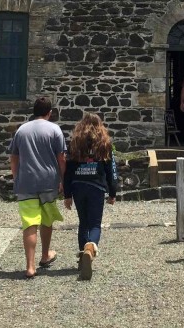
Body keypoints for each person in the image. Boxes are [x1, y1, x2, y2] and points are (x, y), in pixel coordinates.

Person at [8, 97, 66, 279]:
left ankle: (30, 266)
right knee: (47, 220)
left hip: (26, 182)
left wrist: (16, 176)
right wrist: (63, 179)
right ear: (50, 112)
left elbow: (14, 157)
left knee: (30, 222)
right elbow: (61, 157)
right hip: (48, 181)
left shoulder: (21, 131)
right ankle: (45, 255)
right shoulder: (54, 129)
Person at [63, 113, 119, 281]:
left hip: (78, 186)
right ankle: (89, 250)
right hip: (96, 187)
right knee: (95, 224)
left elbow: (68, 172)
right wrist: (113, 192)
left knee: (83, 223)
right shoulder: (105, 144)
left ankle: (83, 257)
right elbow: (111, 171)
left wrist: (67, 195)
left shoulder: (75, 143)